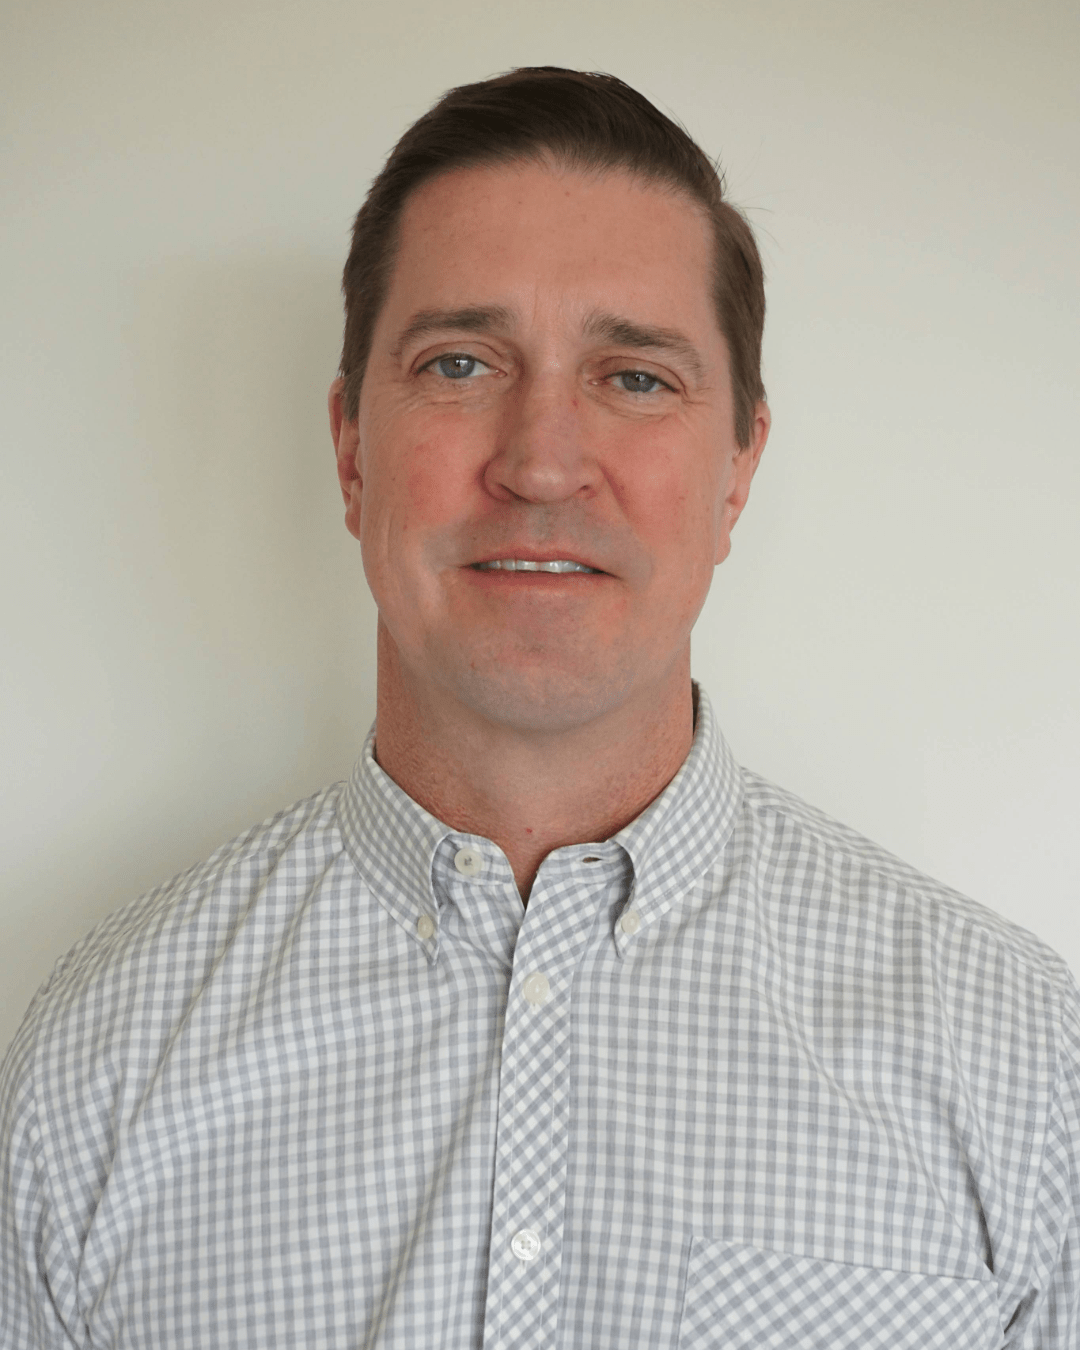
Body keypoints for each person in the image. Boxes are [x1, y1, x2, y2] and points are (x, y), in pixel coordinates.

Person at [1, 67, 1077, 1350]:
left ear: (738, 470)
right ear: (352, 453)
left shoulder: (1022, 1064)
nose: (543, 462)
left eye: (634, 378)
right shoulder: (102, 1063)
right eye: (461, 363)